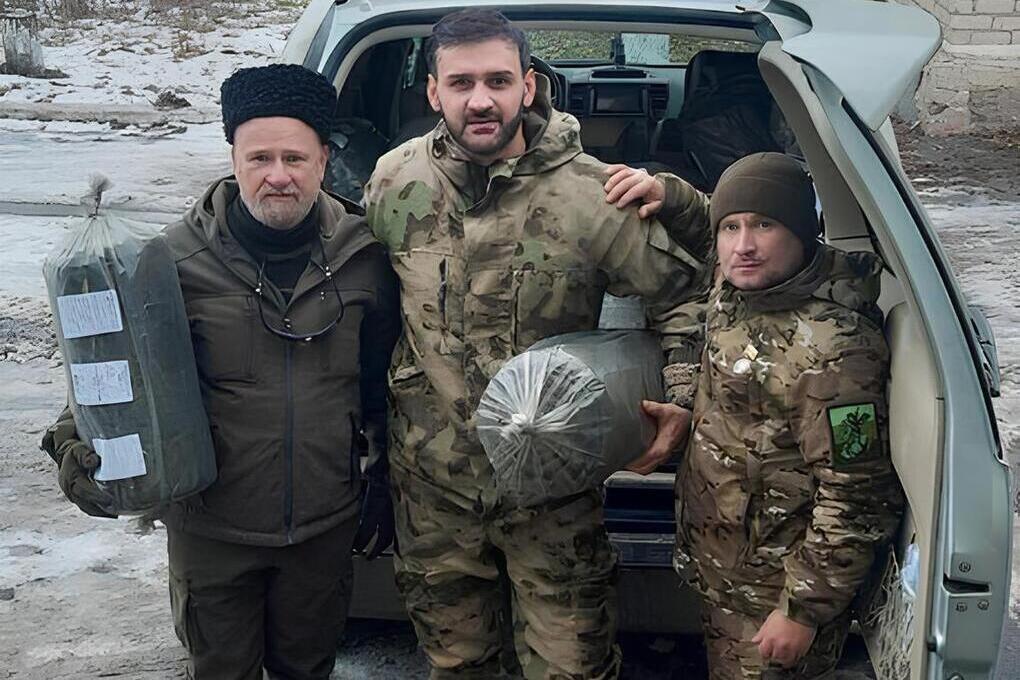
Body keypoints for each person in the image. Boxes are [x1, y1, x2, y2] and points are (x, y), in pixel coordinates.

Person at [363, 9, 710, 679]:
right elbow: (363, 298)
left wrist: (681, 398)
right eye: (460, 83)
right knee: (458, 664)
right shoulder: (395, 182)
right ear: (433, 93)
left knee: (573, 668)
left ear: (528, 86)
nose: (480, 100)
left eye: (498, 81)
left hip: (554, 491)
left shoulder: (590, 194)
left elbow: (683, 294)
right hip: (433, 489)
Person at [41, 64, 401, 680]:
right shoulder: (170, 262)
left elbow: (386, 385)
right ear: (233, 158)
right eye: (260, 158)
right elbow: (114, 378)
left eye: (295, 158)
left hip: (323, 528)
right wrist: (77, 447)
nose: (278, 175)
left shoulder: (364, 258)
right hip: (212, 531)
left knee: (308, 669)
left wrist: (387, 482)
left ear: (324, 160)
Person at [621, 152, 903, 678]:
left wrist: (803, 610)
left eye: (765, 225)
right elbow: (708, 219)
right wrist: (665, 191)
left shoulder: (836, 351)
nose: (743, 245)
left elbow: (858, 496)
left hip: (777, 595)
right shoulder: (740, 288)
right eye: (732, 228)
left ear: (803, 233)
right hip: (730, 576)